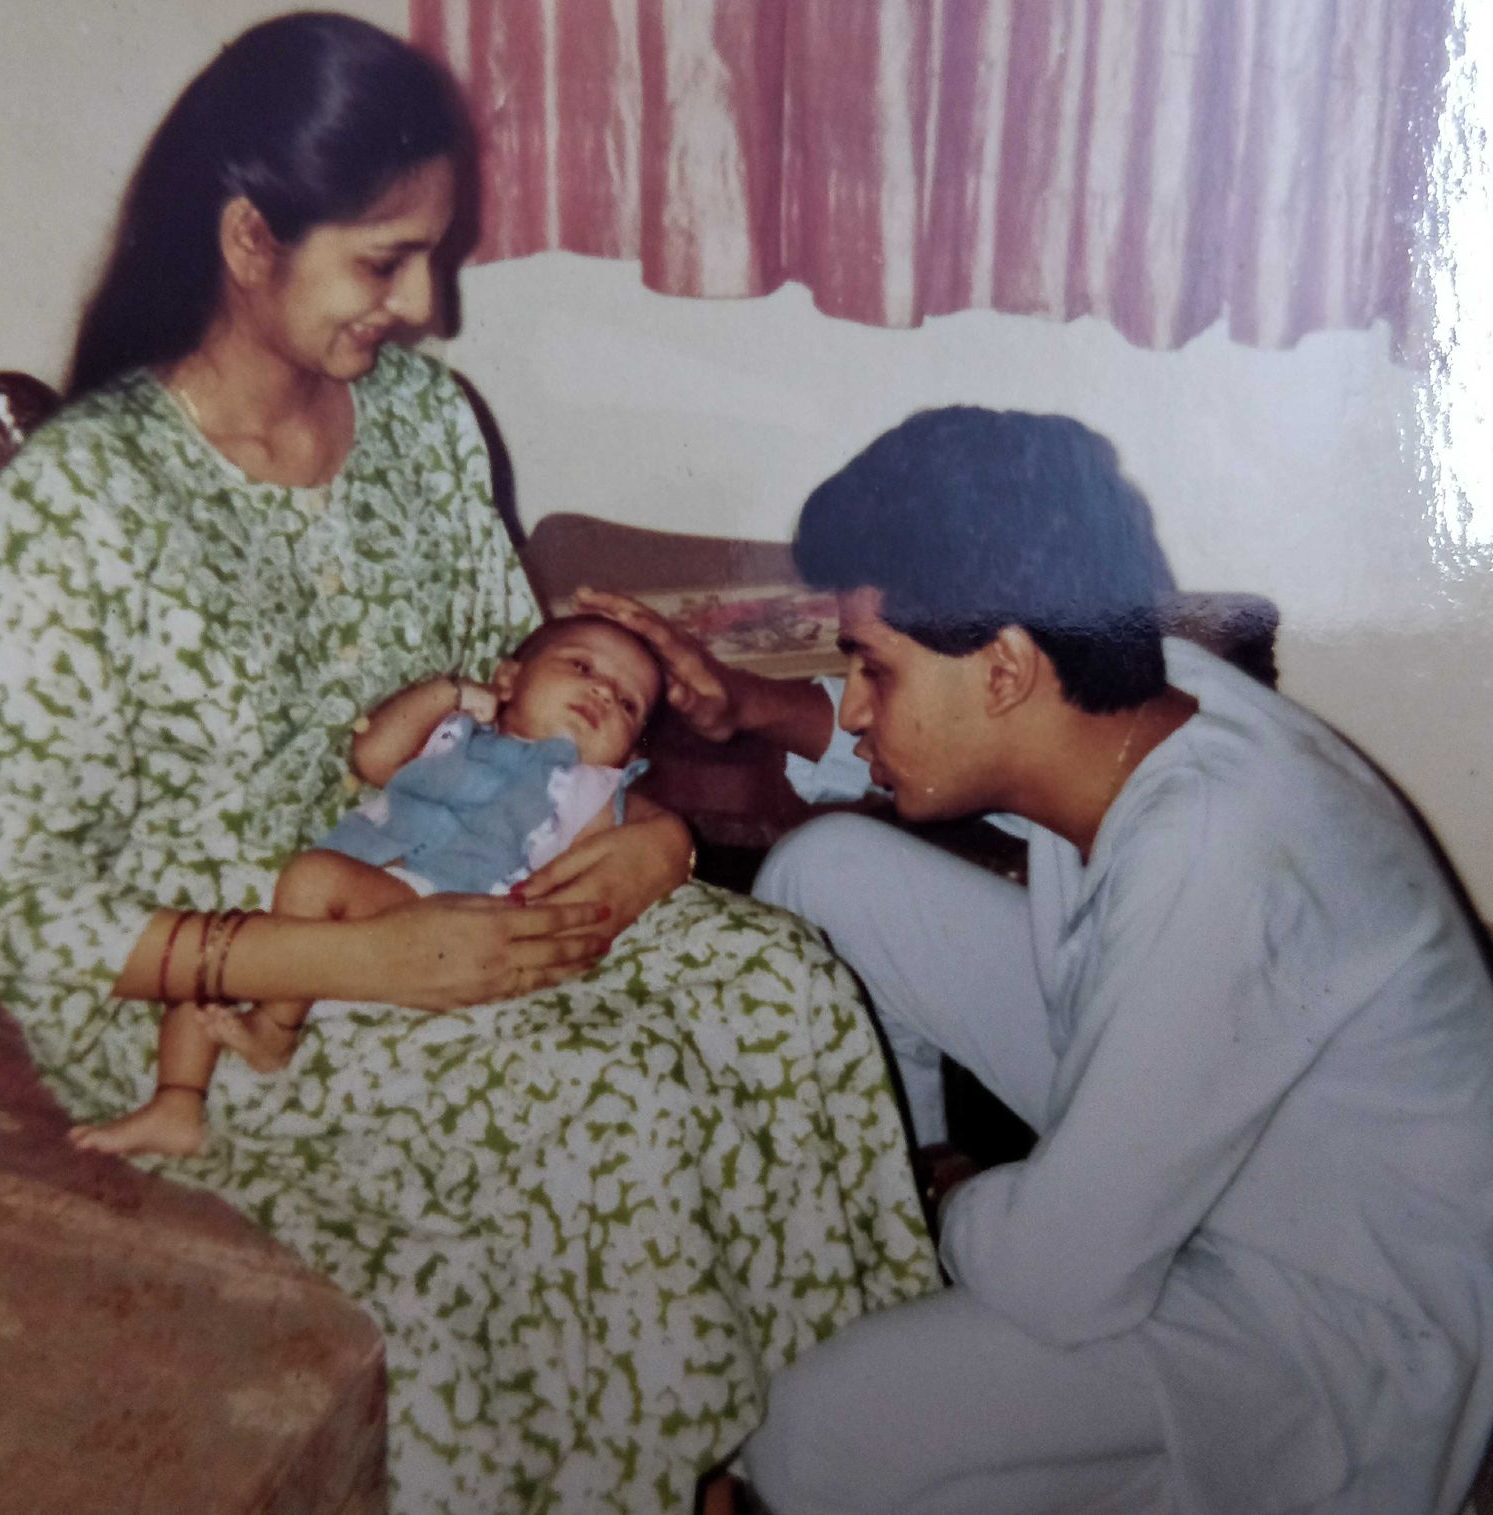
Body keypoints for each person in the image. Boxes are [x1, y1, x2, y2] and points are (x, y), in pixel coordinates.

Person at [0, 15, 939, 1513]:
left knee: (782, 995)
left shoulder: (416, 421)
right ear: (247, 238)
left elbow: (524, 694)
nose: (424, 302)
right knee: (609, 1116)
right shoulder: (85, 495)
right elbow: (22, 907)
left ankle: (821, 1453)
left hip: (484, 856)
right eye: (386, 258)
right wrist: (382, 959)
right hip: (231, 989)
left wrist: (651, 838)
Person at [581, 406, 1493, 1515]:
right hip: (1237, 1147)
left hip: (1335, 1316)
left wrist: (960, 1194)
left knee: (813, 1436)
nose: (858, 706)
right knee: (831, 879)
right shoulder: (1145, 699)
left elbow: (1069, 1281)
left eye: (873, 668)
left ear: (1005, 666)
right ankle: (935, 1259)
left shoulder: (1216, 850)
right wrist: (757, 710)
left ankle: (961, 1282)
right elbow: (921, 754)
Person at [69, 614, 666, 1157]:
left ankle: (274, 1032)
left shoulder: (592, 789)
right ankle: (177, 1102)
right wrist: (449, 692)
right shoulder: (453, 733)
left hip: (440, 913)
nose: (600, 694)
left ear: (630, 753)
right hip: (354, 883)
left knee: (308, 878)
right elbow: (372, 757)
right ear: (509, 679)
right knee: (213, 957)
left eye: (627, 704)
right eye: (582, 668)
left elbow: (594, 875)